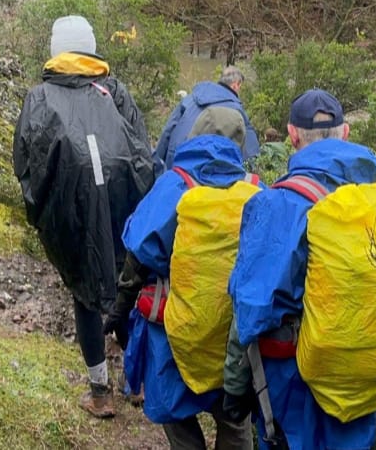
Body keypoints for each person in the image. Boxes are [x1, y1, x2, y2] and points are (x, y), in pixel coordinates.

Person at [223, 88, 376, 450]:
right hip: (375, 385)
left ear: (291, 135)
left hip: (299, 394)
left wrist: (235, 392)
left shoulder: (277, 204)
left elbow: (249, 311)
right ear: (346, 133)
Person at [13, 14, 155, 419]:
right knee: (126, 286)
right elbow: (142, 152)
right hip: (122, 206)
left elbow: (25, 161)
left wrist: (45, 215)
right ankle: (139, 383)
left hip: (70, 210)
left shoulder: (39, 97)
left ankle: (99, 391)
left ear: (56, 50)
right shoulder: (115, 90)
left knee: (84, 291)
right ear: (92, 48)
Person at [104, 106, 262, 450]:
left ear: (194, 134)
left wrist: (120, 308)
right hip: (232, 336)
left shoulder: (174, 184)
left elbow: (140, 252)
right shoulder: (256, 191)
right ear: (241, 145)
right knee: (235, 425)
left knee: (176, 417)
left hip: (173, 332)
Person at [154, 66, 260, 170]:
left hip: (175, 164)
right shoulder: (237, 110)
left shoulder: (190, 99)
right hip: (208, 173)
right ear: (236, 85)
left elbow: (167, 132)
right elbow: (251, 154)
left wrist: (157, 167)